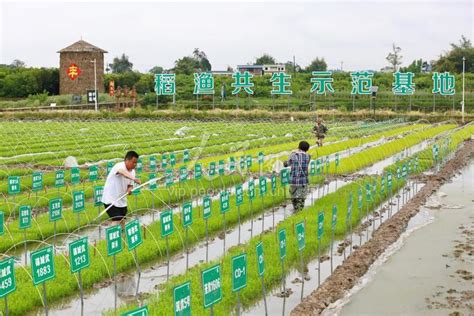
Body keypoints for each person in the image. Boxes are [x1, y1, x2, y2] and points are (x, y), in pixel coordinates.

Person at [102, 151, 141, 229]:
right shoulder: (119, 166)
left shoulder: (132, 172)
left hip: (122, 200)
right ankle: (113, 239)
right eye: (133, 162)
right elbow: (122, 172)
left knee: (122, 220)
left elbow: (130, 184)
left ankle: (123, 237)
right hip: (111, 199)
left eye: (136, 163)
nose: (135, 165)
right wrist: (134, 178)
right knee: (116, 220)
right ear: (127, 160)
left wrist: (129, 189)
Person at [284, 141, 311, 213]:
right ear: (307, 149)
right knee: (301, 198)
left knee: (294, 196)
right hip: (304, 181)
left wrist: (292, 153)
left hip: (294, 180)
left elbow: (286, 164)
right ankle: (300, 212)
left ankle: (296, 210)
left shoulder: (293, 155)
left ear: (298, 147)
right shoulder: (308, 156)